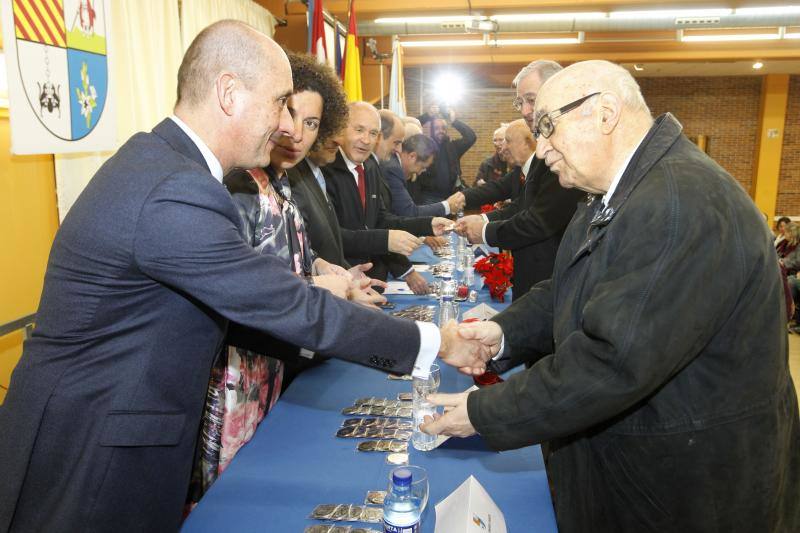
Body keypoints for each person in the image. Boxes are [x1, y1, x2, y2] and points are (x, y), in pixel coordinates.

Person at [0, 21, 491, 532]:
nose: (285, 123)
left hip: (111, 428)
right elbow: (287, 304)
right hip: (93, 447)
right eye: (280, 102)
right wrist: (433, 343)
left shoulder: (169, 167)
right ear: (229, 93)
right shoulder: (176, 190)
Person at [422, 60, 800, 532]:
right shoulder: (615, 191)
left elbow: (614, 360)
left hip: (681, 486)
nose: (540, 148)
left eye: (546, 126)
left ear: (603, 113)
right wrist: (499, 332)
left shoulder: (678, 200)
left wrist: (484, 412)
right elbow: (570, 289)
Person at [455, 61, 583, 299]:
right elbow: (521, 206)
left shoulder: (567, 150)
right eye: (520, 102)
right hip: (532, 280)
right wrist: (481, 220)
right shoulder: (544, 151)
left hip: (551, 284)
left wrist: (485, 231)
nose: (525, 111)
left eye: (532, 100)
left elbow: (539, 221)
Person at [324, 101, 450, 293]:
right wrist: (386, 240)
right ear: (341, 128)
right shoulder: (327, 169)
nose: (366, 140)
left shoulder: (370, 167)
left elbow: (382, 220)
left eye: (373, 133)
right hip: (340, 284)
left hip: (371, 283)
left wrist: (427, 224)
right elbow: (333, 236)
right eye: (359, 130)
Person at [382, 133, 456, 218]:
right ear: (412, 156)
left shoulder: (396, 164)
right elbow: (408, 212)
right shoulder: (393, 170)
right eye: (422, 167)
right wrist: (447, 205)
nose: (420, 172)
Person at [416, 107, 477, 202]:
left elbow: (471, 137)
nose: (441, 130)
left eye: (443, 128)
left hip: (451, 197)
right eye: (436, 128)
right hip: (428, 197)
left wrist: (454, 121)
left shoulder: (454, 147)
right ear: (431, 130)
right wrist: (427, 116)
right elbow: (410, 129)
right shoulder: (424, 146)